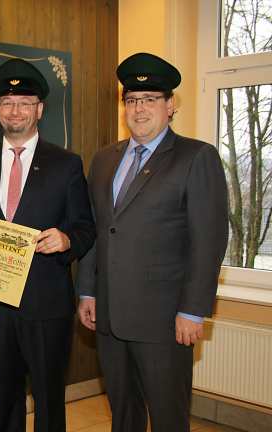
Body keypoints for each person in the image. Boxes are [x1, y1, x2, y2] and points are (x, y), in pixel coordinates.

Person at [76, 52, 229, 432]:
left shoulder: (196, 157)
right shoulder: (104, 160)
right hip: (110, 318)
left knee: (167, 416)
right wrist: (87, 291)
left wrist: (194, 310)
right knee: (122, 414)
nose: (139, 108)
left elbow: (208, 239)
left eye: (150, 99)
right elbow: (98, 230)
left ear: (170, 105)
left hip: (164, 321)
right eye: (131, 100)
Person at [0, 58, 95, 432]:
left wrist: (66, 239)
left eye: (25, 103)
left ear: (40, 109)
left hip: (45, 305)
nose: (15, 110)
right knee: (5, 396)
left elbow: (85, 227)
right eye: (7, 103)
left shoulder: (66, 164)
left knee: (49, 400)